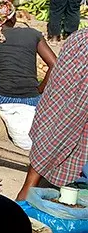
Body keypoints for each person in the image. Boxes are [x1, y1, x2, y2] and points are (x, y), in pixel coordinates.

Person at [17, 28, 88, 201]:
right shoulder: (81, 40)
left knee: (36, 174)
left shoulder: (78, 38)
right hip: (66, 112)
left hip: (56, 111)